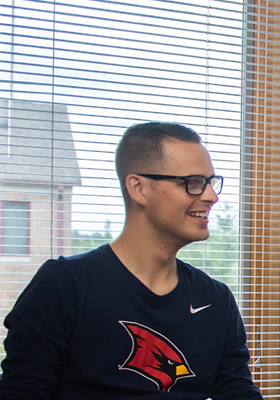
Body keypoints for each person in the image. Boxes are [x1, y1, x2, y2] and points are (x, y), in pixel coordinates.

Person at [0, 122, 263, 399]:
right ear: (138, 188)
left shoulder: (216, 299)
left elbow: (239, 393)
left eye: (211, 183)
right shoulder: (64, 285)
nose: (212, 196)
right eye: (193, 183)